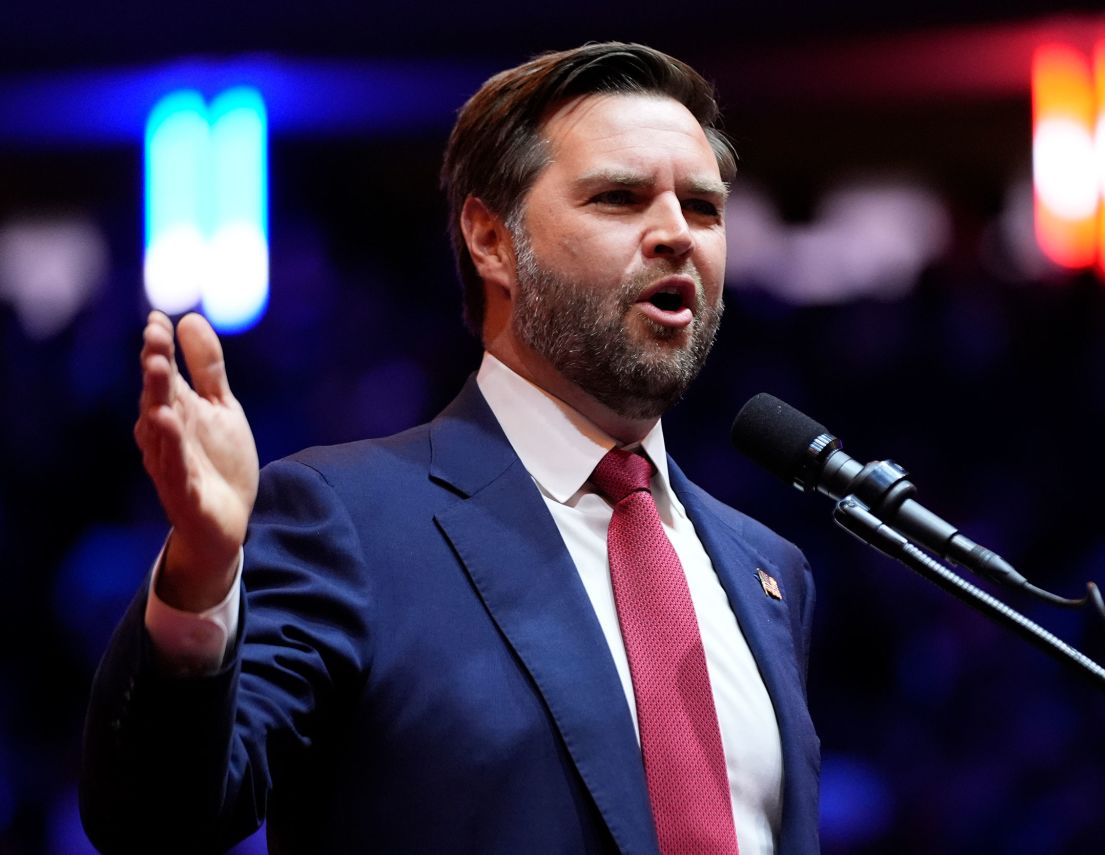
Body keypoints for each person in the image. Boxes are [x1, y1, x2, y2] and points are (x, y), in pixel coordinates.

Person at [80, 42, 820, 854]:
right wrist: (199, 573)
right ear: (490, 239)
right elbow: (156, 818)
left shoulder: (769, 569)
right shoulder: (348, 522)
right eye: (619, 197)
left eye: (706, 208)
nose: (679, 233)